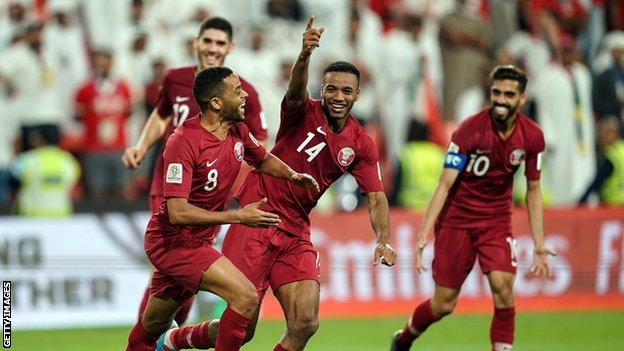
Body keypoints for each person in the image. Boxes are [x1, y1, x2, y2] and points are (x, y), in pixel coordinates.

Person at [157, 16, 397, 351]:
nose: (337, 96)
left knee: (305, 323)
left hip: (296, 228)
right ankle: (176, 338)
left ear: (357, 94)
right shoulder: (302, 110)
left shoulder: (361, 142)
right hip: (258, 215)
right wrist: (304, 55)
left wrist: (383, 239)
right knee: (243, 326)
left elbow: (375, 196)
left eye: (346, 90)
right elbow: (296, 89)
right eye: (330, 88)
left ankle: (175, 336)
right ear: (321, 89)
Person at [125, 66, 318, 351]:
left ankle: (167, 343)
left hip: (198, 241)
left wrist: (291, 175)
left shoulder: (237, 129)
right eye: (237, 91)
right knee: (245, 297)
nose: (245, 97)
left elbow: (262, 159)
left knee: (151, 327)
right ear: (216, 103)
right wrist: (237, 217)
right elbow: (177, 212)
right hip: (173, 243)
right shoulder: (183, 142)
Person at [390, 65, 556, 351]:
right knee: (443, 304)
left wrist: (540, 245)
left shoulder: (532, 137)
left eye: (508, 94)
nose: (501, 100)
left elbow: (532, 190)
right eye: (496, 93)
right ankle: (404, 337)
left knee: (504, 290)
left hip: (496, 221)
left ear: (522, 99)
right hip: (457, 221)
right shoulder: (469, 131)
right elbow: (444, 184)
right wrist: (422, 235)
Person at [121, 17, 267, 326]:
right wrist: (141, 147)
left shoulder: (244, 94)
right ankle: (159, 337)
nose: (213, 48)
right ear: (196, 43)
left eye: (219, 43)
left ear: (230, 47)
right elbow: (161, 117)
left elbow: (258, 145)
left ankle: (158, 337)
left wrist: (236, 187)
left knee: (185, 274)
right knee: (170, 261)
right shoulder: (175, 79)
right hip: (171, 185)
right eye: (208, 41)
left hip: (210, 193)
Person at [579, 115, 624, 205]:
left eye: (606, 132)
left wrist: (581, 202)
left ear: (614, 134)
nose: (601, 135)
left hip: (613, 206)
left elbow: (597, 181)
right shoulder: (621, 149)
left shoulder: (612, 155)